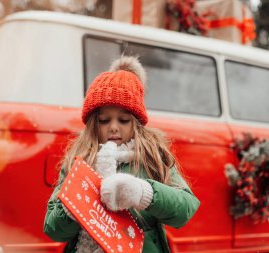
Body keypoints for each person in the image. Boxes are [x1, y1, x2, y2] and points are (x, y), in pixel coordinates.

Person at [43, 56, 200, 253]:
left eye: (123, 120)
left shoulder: (152, 157)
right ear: (93, 123)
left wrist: (143, 193)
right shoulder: (79, 161)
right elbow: (53, 229)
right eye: (104, 120)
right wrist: (75, 204)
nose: (114, 128)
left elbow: (185, 209)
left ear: (136, 122)